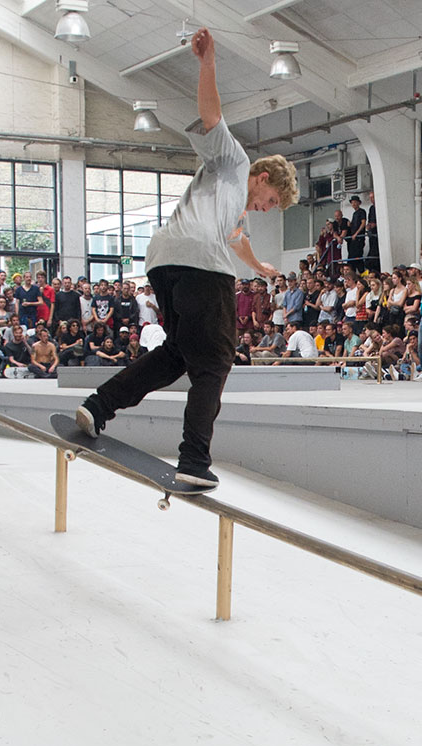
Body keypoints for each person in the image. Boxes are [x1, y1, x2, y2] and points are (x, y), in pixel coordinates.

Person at [75, 28, 297, 489]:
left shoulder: (232, 202)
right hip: (198, 261)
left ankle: (98, 406)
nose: (265, 208)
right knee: (214, 362)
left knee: (178, 352)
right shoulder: (234, 163)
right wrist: (208, 63)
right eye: (271, 200)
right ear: (263, 177)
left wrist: (258, 268)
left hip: (164, 259)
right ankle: (193, 461)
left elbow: (237, 240)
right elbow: (211, 116)